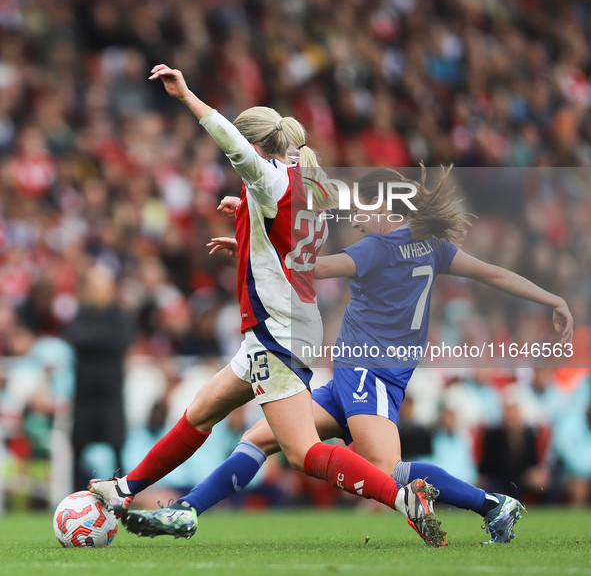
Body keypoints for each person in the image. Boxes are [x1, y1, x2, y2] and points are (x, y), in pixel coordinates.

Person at [90, 65, 448, 548]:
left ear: (258, 146)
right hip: (291, 323)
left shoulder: (270, 178)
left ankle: (400, 497)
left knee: (301, 453)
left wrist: (187, 95)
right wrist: (247, 229)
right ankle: (125, 489)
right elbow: (289, 243)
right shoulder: (312, 183)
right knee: (201, 412)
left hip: (275, 330)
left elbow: (229, 141)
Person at [118, 165, 573, 544]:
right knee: (259, 439)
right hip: (360, 377)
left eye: (362, 207)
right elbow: (494, 274)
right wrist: (552, 298)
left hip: (368, 374)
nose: (356, 217)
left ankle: (493, 504)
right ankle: (187, 510)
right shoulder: (433, 246)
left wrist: (256, 238)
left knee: (385, 471)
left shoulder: (376, 247)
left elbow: (312, 268)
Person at [62, 265, 135, 490]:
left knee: (116, 446)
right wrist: (98, 340)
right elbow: (74, 338)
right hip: (85, 394)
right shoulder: (81, 314)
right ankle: (73, 496)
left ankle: (122, 494)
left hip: (110, 393)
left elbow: (120, 340)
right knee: (78, 447)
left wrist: (91, 339)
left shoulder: (119, 315)